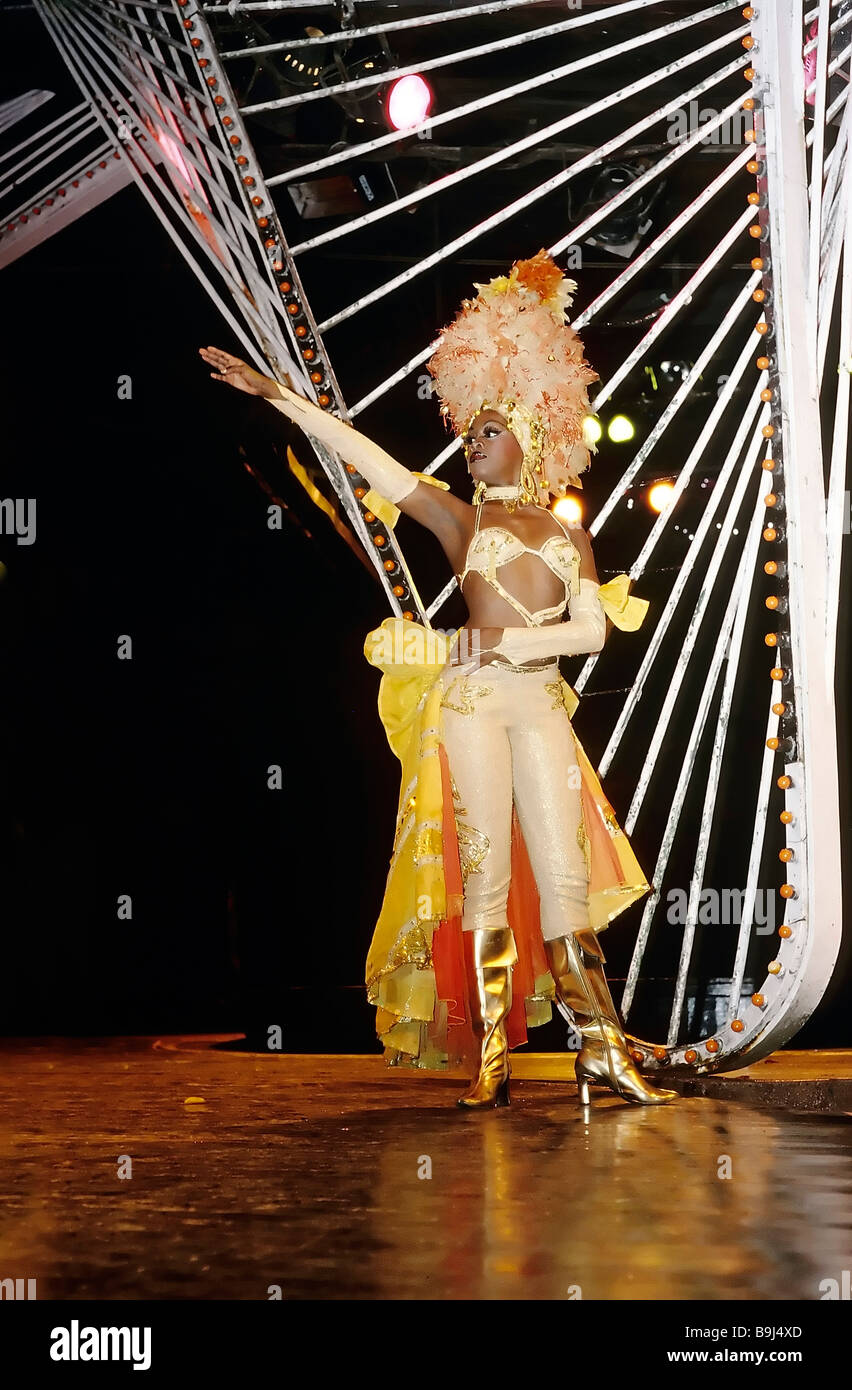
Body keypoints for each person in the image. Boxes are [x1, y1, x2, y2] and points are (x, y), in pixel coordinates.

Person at [199, 249, 676, 1108]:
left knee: (565, 877)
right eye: (470, 433)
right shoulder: (459, 520)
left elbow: (593, 630)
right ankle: (491, 1056)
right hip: (472, 705)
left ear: (529, 436)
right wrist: (279, 398)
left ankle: (603, 1048)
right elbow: (371, 461)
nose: (472, 444)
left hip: (538, 702)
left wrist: (506, 643)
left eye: (488, 432)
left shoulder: (569, 535)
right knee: (484, 874)